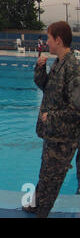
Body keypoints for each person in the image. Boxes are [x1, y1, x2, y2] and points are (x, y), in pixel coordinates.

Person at [23, 21, 80, 218]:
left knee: (52, 180)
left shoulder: (73, 67)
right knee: (45, 174)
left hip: (63, 138)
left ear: (58, 40)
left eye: (48, 38)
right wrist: (40, 70)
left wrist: (51, 116)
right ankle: (36, 206)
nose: (46, 42)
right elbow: (49, 89)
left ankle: (42, 213)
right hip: (53, 133)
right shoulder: (59, 63)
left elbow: (77, 109)